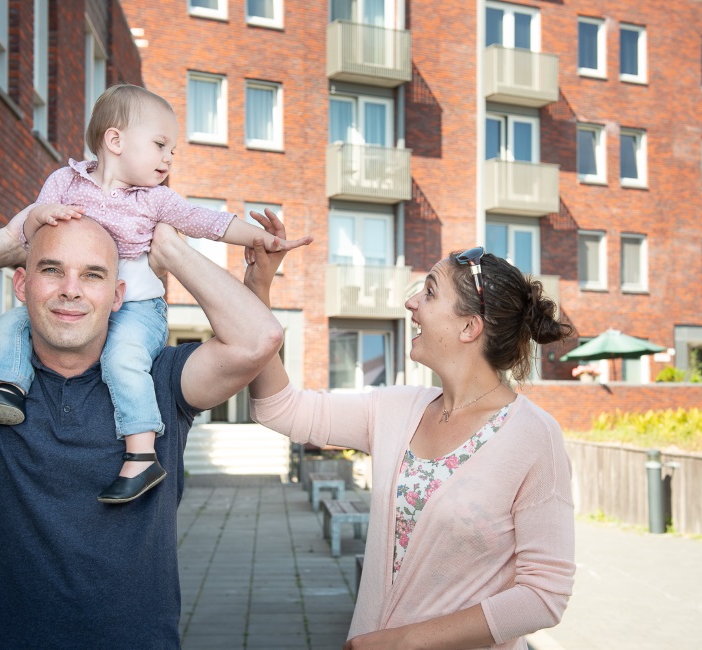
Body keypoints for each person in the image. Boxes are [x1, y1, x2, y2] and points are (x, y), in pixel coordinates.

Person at [0, 213, 285, 648]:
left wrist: (172, 251)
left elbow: (258, 339)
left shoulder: (160, 383)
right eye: (51, 269)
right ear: (21, 285)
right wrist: (8, 239)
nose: (70, 289)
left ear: (118, 296)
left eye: (92, 275)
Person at [0, 83, 312, 503]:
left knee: (123, 359)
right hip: (79, 296)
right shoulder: (65, 179)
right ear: (114, 140)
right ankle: (7, 388)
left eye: (172, 149)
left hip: (136, 307)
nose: (169, 158)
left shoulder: (155, 200)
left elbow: (208, 221)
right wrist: (40, 216)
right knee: (11, 321)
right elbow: (34, 228)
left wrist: (261, 238)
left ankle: (141, 454)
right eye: (160, 145)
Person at [243, 211, 577, 650]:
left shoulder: (534, 437)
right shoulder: (395, 408)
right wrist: (257, 291)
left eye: (430, 293)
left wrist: (400, 642)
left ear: (469, 327)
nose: (411, 303)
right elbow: (278, 408)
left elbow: (543, 595)